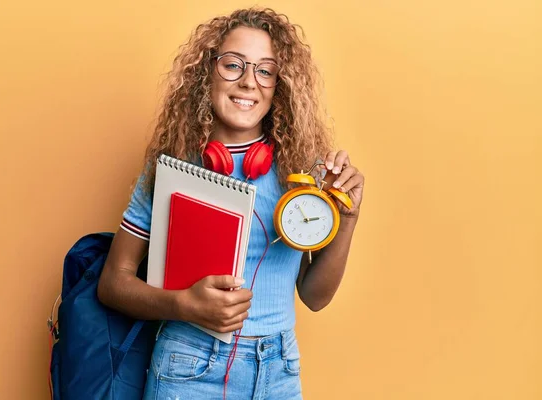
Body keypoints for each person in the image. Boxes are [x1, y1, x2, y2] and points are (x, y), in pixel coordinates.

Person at [97, 7, 364, 400]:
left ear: (280, 85)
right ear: (208, 71)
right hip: (188, 365)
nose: (248, 83)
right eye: (233, 65)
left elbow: (315, 297)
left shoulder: (302, 170)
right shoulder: (171, 165)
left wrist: (349, 218)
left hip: (280, 368)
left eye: (265, 70)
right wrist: (184, 305)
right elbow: (112, 283)